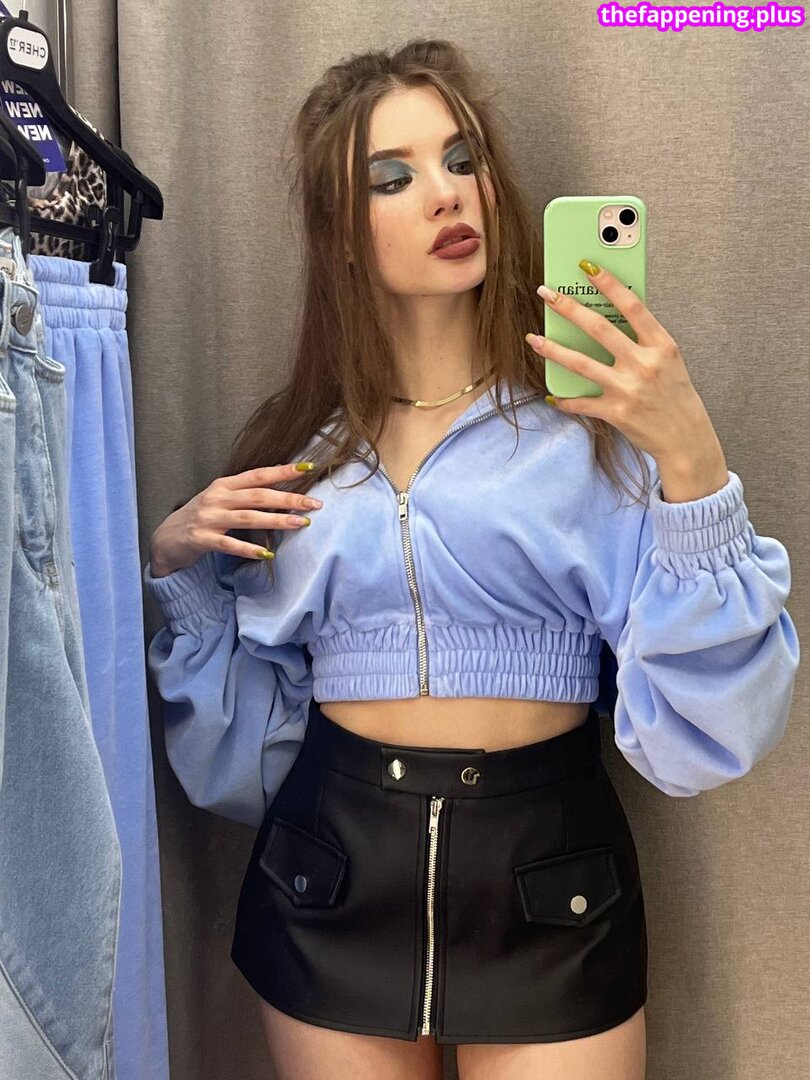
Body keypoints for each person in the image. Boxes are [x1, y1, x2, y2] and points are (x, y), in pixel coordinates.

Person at [143, 38, 799, 1080]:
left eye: (462, 159)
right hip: (329, 881)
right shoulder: (302, 458)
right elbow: (244, 764)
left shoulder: (594, 439)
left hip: (551, 883)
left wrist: (691, 459)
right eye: (391, 178)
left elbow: (704, 739)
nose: (446, 195)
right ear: (340, 233)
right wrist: (181, 571)